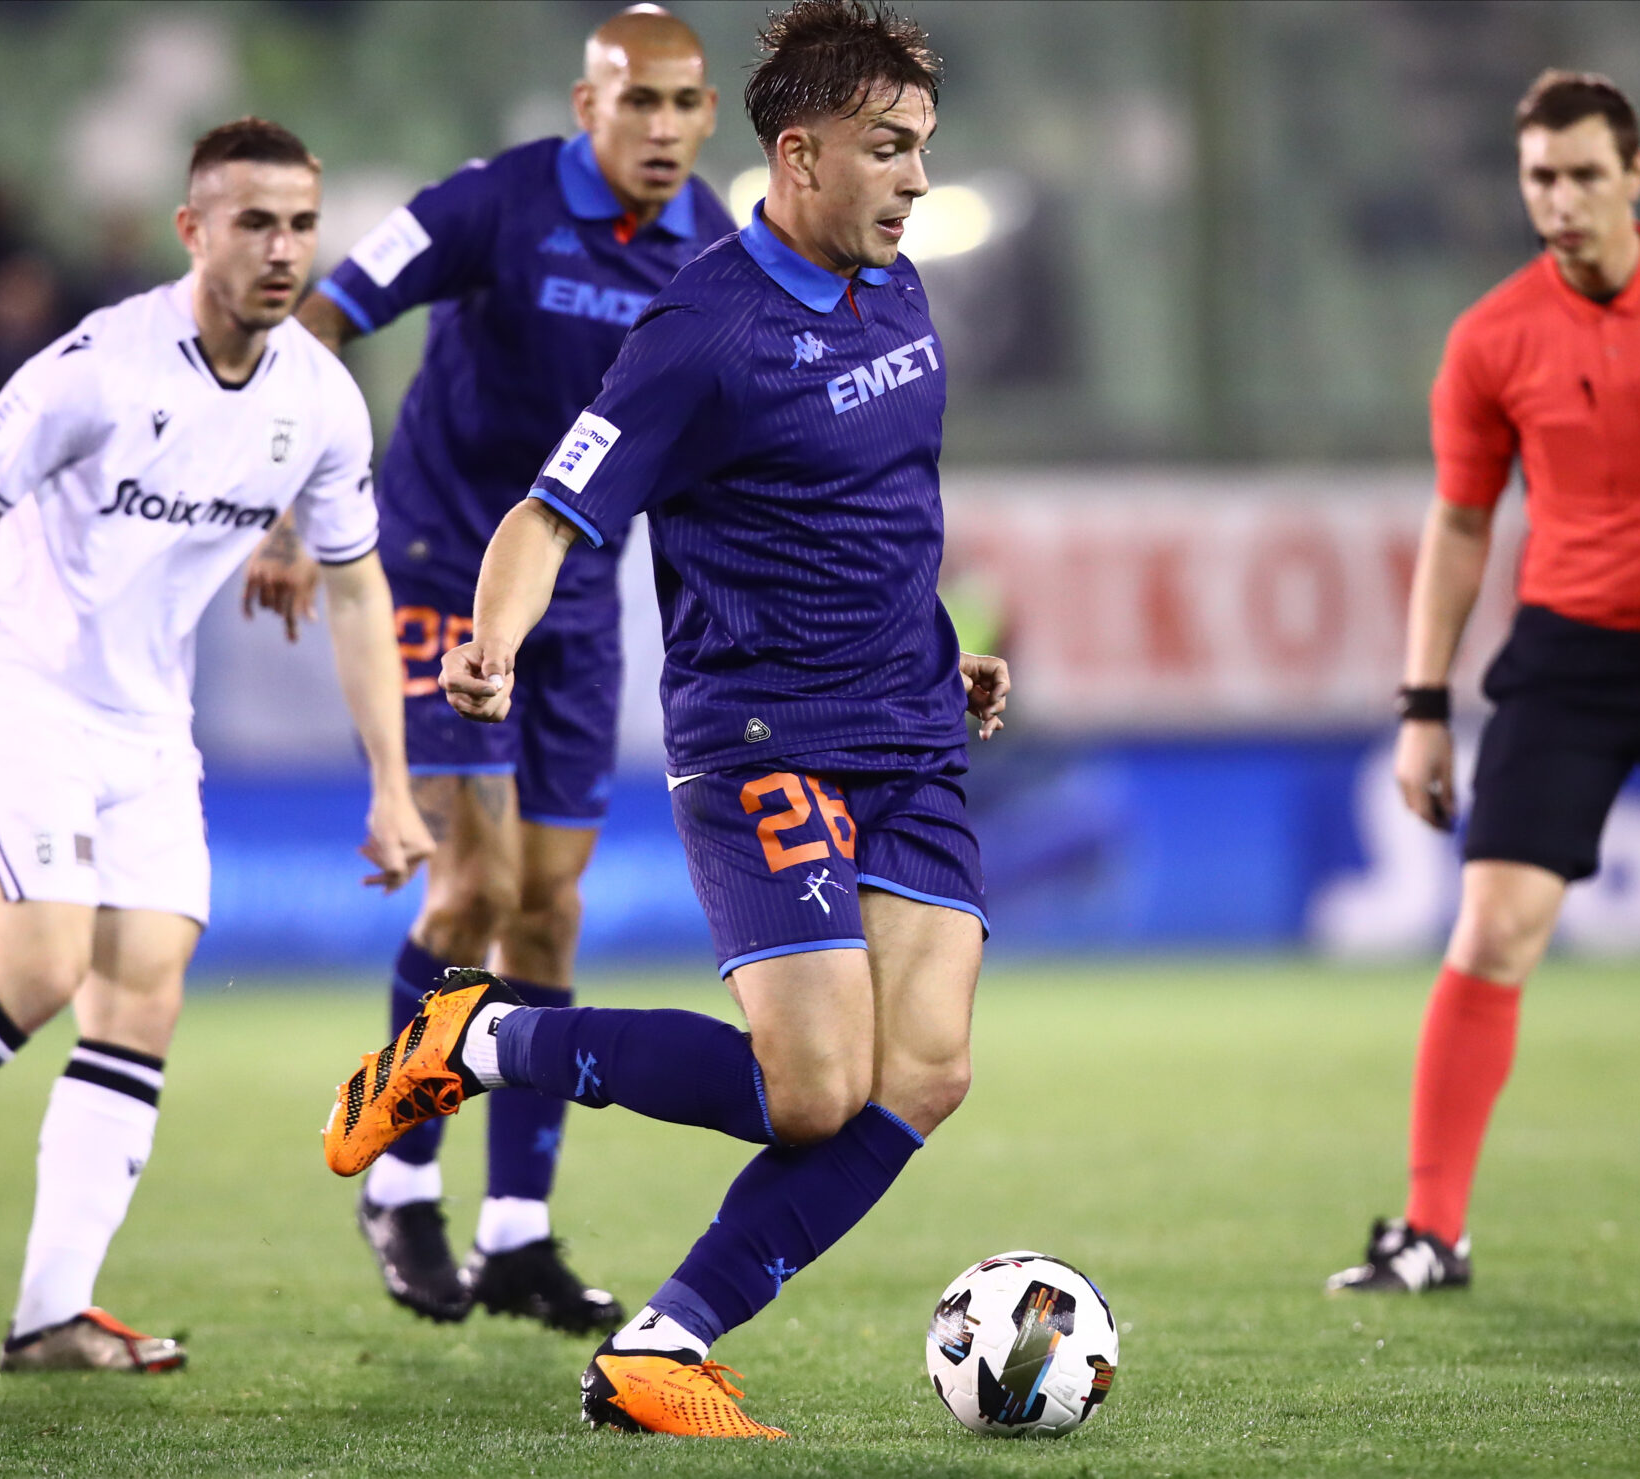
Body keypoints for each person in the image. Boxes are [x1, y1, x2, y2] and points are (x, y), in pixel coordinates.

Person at [318, 0, 1011, 1437]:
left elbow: (885, 510)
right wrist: (491, 643)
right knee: (812, 1092)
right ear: (800, 155)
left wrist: (944, 654)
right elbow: (550, 510)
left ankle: (659, 1344)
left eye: (923, 147)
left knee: (927, 1072)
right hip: (768, 738)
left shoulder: (896, 287)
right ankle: (474, 1040)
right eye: (890, 149)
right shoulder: (702, 329)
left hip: (910, 731)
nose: (917, 180)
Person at [0, 118, 432, 1372]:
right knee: (42, 967)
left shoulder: (321, 398)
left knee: (143, 993)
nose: (282, 249)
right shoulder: (100, 365)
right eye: (254, 223)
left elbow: (357, 587)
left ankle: (51, 1312)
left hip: (148, 721)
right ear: (193, 230)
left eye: (300, 225)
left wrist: (390, 782)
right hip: (21, 689)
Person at [243, 4, 730, 1335]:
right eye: (638, 101)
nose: (664, 128)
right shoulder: (490, 204)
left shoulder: (709, 241)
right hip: (439, 573)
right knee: (471, 891)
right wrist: (289, 509)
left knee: (550, 909)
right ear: (588, 106)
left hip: (579, 600)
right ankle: (399, 1178)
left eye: (685, 103)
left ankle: (515, 1232)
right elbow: (322, 320)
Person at [1329, 71, 1640, 1294]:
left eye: (1583, 174)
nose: (1560, 199)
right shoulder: (1490, 336)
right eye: (1540, 176)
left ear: (1633, 173)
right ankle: (1431, 1233)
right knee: (1488, 929)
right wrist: (1422, 705)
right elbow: (1459, 522)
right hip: (1567, 660)